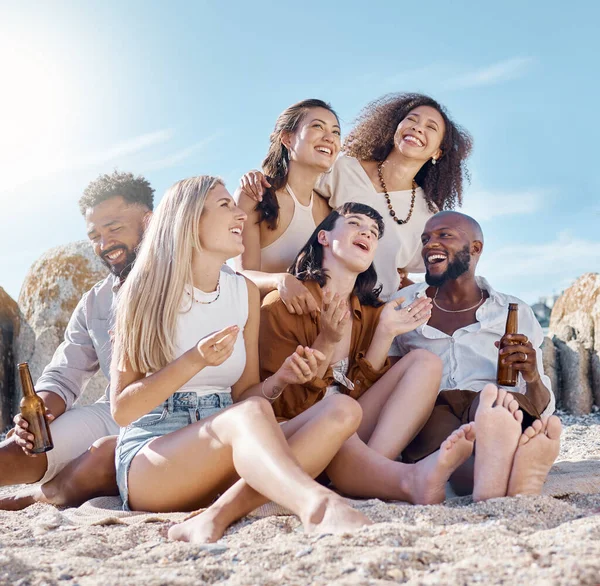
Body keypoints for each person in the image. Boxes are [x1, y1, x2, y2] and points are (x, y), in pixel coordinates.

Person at [172, 203, 476, 545]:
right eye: (355, 224)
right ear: (323, 238)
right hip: (301, 435)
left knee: (425, 363)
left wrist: (384, 335)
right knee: (338, 413)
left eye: (374, 233)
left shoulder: (372, 314)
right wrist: (326, 342)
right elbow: (276, 407)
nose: (367, 233)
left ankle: (370, 471)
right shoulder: (281, 306)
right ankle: (386, 478)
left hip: (350, 433)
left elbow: (361, 402)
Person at [112, 175, 372, 540]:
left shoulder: (244, 292)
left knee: (343, 411)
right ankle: (317, 506)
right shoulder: (142, 292)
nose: (239, 214)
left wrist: (280, 380)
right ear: (189, 219)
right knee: (249, 416)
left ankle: (216, 515)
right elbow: (122, 410)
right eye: (225, 206)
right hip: (154, 459)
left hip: (228, 446)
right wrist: (194, 360)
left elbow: (246, 396)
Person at [0, 171, 153, 510]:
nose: (104, 244)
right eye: (95, 235)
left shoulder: (194, 276)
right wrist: (38, 411)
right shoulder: (95, 302)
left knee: (101, 457)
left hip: (186, 413)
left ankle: (36, 497)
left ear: (149, 220)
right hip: (116, 410)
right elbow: (64, 374)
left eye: (114, 229)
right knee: (25, 444)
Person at [388, 211, 561, 500]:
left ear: (476, 248)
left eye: (444, 235)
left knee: (493, 402)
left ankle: (503, 449)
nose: (430, 244)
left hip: (495, 402)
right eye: (426, 238)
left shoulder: (511, 311)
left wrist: (531, 376)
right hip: (431, 407)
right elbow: (389, 376)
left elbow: (543, 406)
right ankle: (511, 478)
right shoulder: (403, 305)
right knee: (450, 449)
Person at [239, 93, 473, 299]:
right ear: (395, 127)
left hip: (377, 316)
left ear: (437, 151)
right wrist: (259, 176)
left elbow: (409, 273)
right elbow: (298, 175)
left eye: (431, 127)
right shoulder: (344, 169)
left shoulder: (429, 214)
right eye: (411, 119)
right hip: (323, 303)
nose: (418, 127)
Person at [234, 99, 340, 316]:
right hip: (259, 323)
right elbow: (241, 275)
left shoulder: (330, 211)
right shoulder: (257, 195)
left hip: (309, 329)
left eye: (336, 132)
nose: (329, 137)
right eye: (317, 126)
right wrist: (279, 280)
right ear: (287, 138)